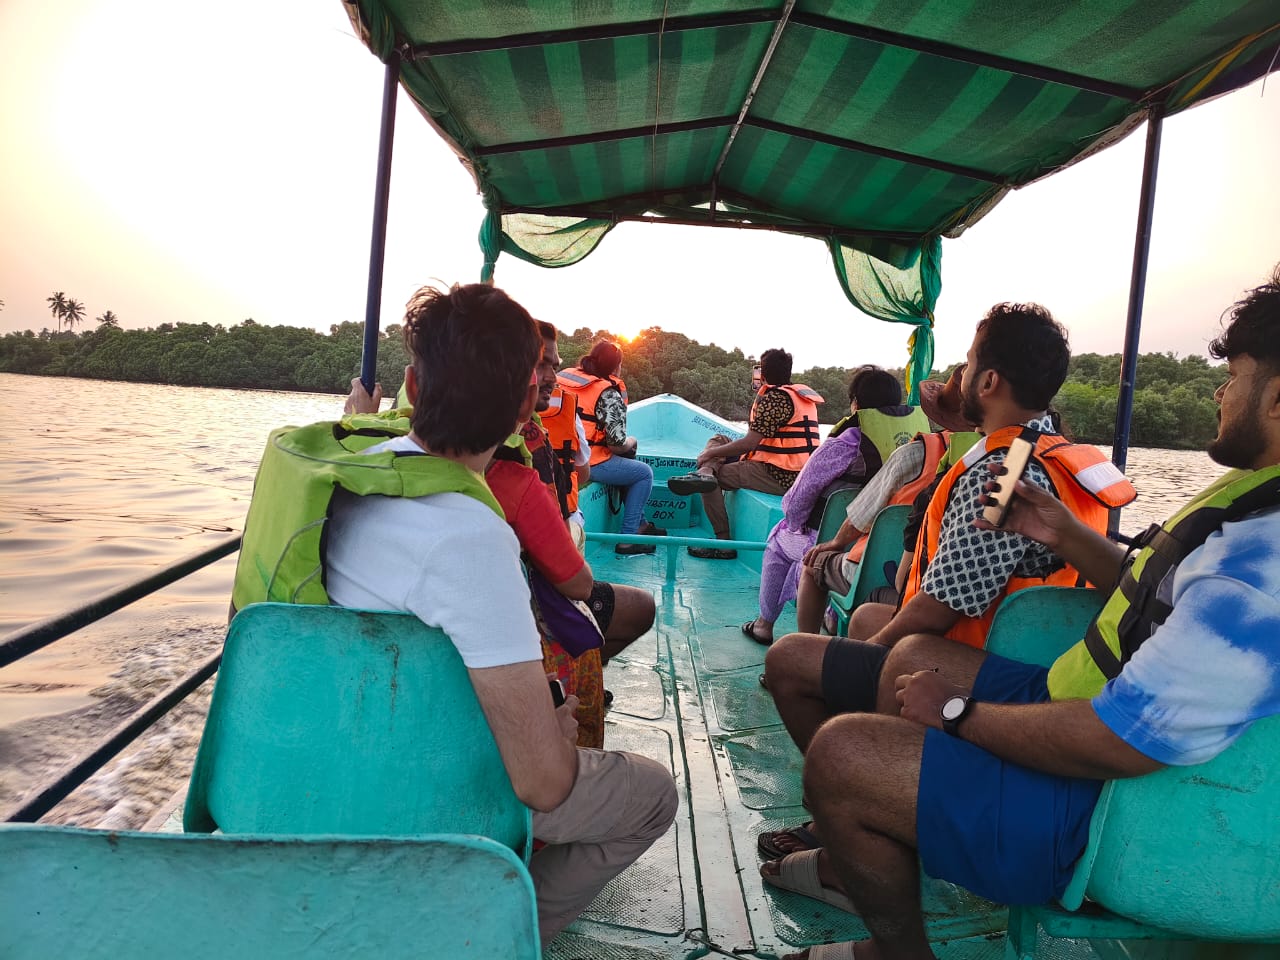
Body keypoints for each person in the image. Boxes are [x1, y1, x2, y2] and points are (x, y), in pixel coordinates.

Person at [758, 268, 1280, 960]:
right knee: (905, 660)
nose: (1222, 391)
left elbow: (1118, 740)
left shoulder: (1258, 574)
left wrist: (956, 715)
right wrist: (1067, 535)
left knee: (840, 751)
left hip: (1111, 798)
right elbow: (1152, 590)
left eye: (1236, 375)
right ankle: (878, 829)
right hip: (1079, 688)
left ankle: (892, 925)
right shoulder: (1249, 506)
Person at [323, 283, 677, 944]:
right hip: (429, 790)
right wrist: (556, 725)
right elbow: (542, 783)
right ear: (524, 410)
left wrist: (358, 416)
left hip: (341, 761)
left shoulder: (344, 480)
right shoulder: (472, 537)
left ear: (412, 388)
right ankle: (497, 937)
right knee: (654, 793)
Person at [757, 304, 1135, 860]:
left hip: (982, 659)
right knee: (864, 617)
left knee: (791, 659)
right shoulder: (1049, 449)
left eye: (967, 363)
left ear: (987, 381)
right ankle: (857, 790)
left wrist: (866, 654)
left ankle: (851, 801)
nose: (956, 373)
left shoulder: (1001, 474)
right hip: (1045, 645)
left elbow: (940, 608)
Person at [787, 366, 978, 638]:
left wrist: (836, 543)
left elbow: (861, 515)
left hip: (884, 573)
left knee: (813, 565)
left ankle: (806, 647)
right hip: (940, 583)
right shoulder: (997, 461)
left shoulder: (916, 452)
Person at [743, 366, 926, 645]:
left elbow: (798, 499)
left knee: (778, 541)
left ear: (855, 404)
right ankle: (830, 615)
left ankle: (764, 624)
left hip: (839, 543)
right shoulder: (919, 448)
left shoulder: (845, 444)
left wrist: (794, 523)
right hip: (893, 549)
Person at [670, 348, 825, 560]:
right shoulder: (798, 397)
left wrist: (710, 455)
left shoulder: (775, 399)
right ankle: (706, 471)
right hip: (795, 471)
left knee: (711, 480)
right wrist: (714, 454)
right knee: (719, 439)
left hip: (780, 475)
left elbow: (750, 442)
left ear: (763, 374)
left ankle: (723, 544)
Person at [558, 341, 662, 554]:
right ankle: (628, 539)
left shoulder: (562, 378)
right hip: (585, 462)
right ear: (617, 367)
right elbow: (617, 445)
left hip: (553, 453)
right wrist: (631, 442)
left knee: (628, 465)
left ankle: (641, 523)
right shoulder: (608, 394)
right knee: (643, 473)